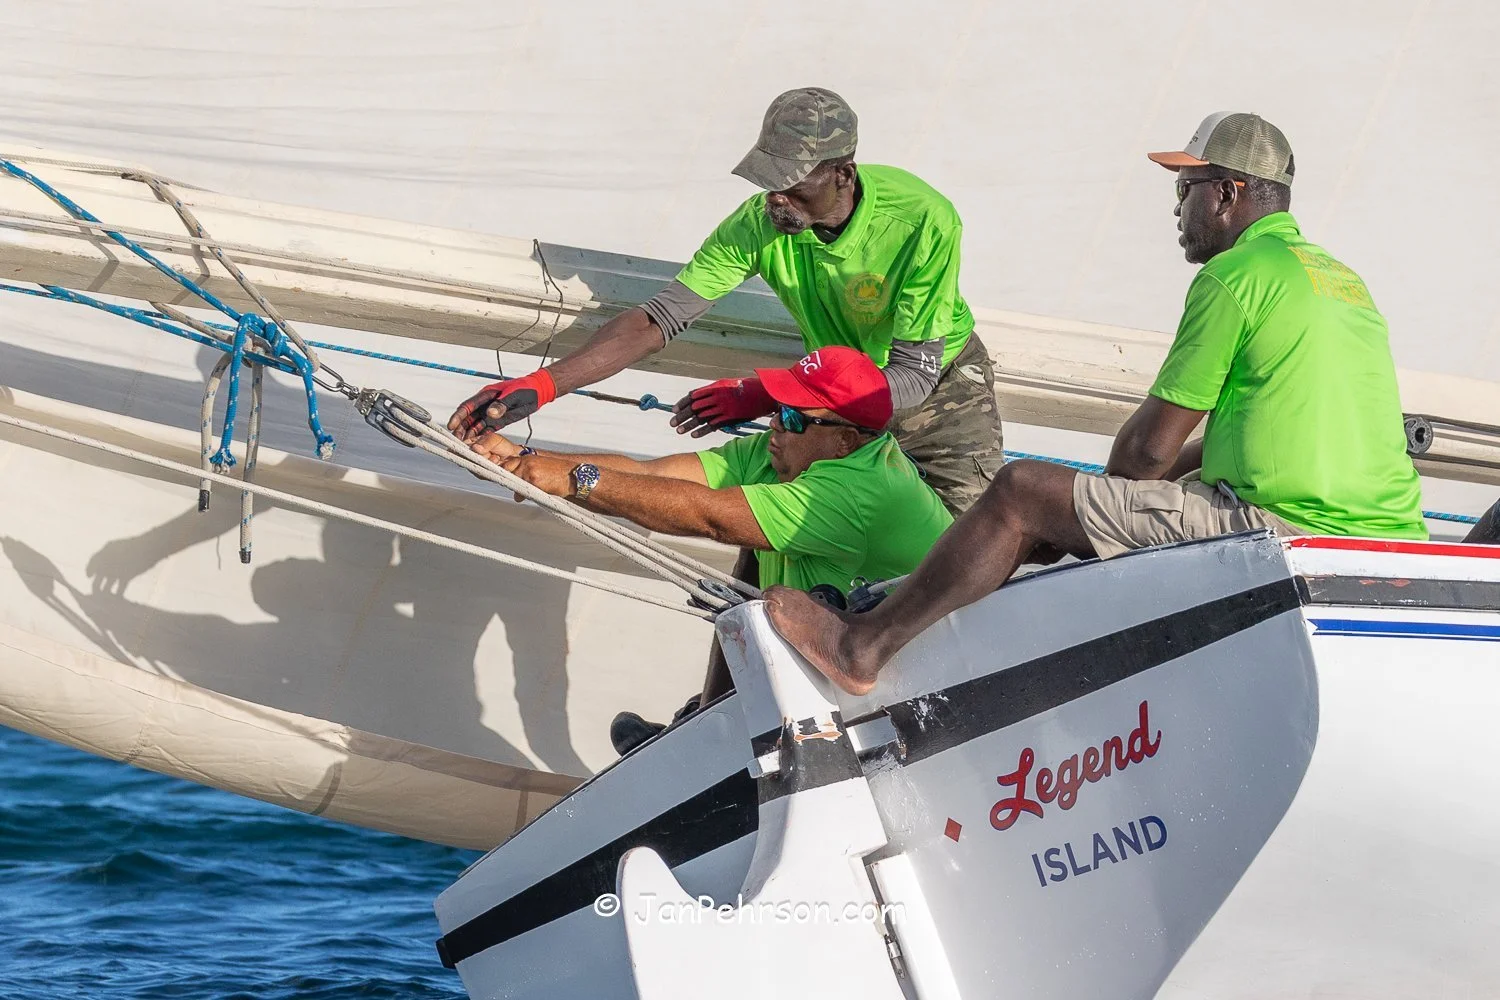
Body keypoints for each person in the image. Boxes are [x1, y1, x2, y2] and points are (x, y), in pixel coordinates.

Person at [762, 111, 1428, 696]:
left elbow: (1145, 454)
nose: (1176, 210)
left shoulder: (1236, 277)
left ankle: (861, 648)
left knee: (1022, 491)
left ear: (1227, 193)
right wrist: (1091, 508)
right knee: (1078, 504)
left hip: (1282, 528)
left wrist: (1075, 506)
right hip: (1388, 543)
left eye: (1185, 190)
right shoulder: (1343, 283)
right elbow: (1242, 439)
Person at [448, 86, 1004, 516]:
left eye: (792, 184)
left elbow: (911, 377)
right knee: (766, 537)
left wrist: (776, 396)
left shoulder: (920, 218)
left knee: (962, 550)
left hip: (941, 393)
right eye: (768, 181)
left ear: (843, 173)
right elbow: (657, 320)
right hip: (826, 397)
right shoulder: (757, 223)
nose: (776, 199)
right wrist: (544, 384)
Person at [468, 345, 952, 747]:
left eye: (792, 416)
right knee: (753, 553)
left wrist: (575, 479)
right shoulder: (784, 454)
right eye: (775, 410)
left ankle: (716, 735)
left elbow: (711, 517)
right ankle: (714, 718)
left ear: (846, 441)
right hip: (841, 657)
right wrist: (526, 458)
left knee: (745, 533)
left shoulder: (858, 492)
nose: (775, 426)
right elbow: (650, 477)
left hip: (914, 692)